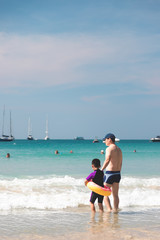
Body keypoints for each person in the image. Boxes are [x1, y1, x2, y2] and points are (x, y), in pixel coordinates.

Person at [101, 133, 122, 212]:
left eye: (105, 139)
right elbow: (120, 162)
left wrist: (101, 169)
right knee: (115, 195)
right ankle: (115, 210)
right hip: (117, 174)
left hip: (110, 173)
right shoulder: (119, 149)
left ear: (109, 139)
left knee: (104, 193)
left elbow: (107, 160)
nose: (105, 141)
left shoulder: (109, 149)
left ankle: (109, 210)